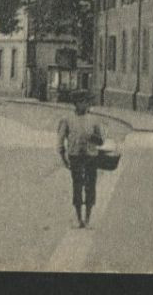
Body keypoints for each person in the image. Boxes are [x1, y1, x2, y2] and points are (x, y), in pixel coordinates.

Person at [56, 90, 105, 228]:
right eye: (83, 102)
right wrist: (64, 158)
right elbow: (60, 140)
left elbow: (101, 140)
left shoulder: (94, 120)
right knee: (77, 186)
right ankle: (79, 219)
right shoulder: (67, 119)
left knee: (90, 187)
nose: (86, 105)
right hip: (75, 156)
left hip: (91, 157)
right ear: (76, 104)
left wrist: (94, 138)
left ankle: (88, 218)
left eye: (87, 102)